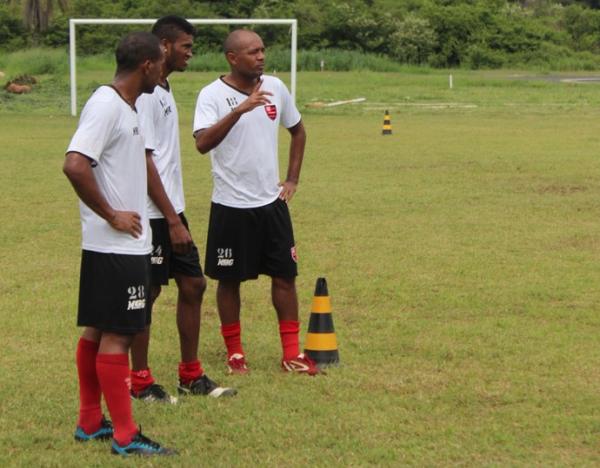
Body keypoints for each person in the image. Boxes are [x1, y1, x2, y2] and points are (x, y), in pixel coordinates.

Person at [63, 32, 175, 456]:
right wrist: (111, 214)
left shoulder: (126, 106)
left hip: (114, 246)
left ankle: (91, 422)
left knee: (97, 328)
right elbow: (75, 164)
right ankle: (127, 436)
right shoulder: (107, 104)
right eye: (161, 64)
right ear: (147, 65)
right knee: (121, 336)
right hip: (116, 246)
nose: (163, 72)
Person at [193, 29, 319, 376]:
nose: (261, 56)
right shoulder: (211, 95)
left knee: (284, 276)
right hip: (230, 207)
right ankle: (235, 354)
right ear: (233, 58)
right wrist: (241, 109)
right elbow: (202, 143)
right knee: (229, 280)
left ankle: (291, 354)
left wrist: (292, 178)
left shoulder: (276, 87)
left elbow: (298, 130)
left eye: (263, 50)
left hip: (271, 204)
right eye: (252, 52)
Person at [130, 15, 236, 403]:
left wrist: (176, 214)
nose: (191, 53)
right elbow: (143, 161)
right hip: (154, 214)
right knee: (148, 292)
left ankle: (190, 375)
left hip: (172, 209)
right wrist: (172, 220)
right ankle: (139, 382)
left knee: (193, 284)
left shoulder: (163, 87)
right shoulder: (143, 94)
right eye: (186, 47)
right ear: (163, 46)